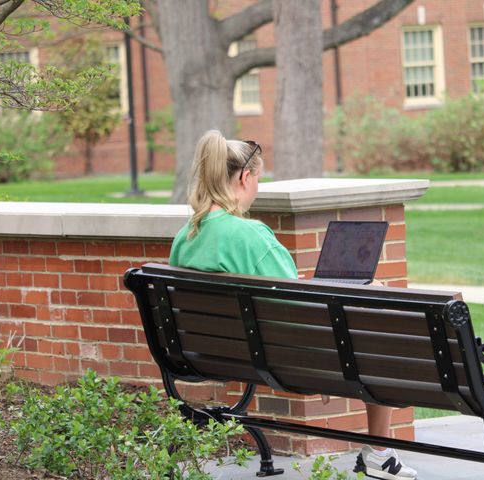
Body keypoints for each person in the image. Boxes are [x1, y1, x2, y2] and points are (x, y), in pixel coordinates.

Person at [169, 130, 417, 480]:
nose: (257, 187)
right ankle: (378, 452)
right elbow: (298, 311)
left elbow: (280, 297)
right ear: (244, 177)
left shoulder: (187, 236)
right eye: (258, 178)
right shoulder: (250, 236)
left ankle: (378, 451)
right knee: (377, 315)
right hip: (291, 357)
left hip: (213, 353)